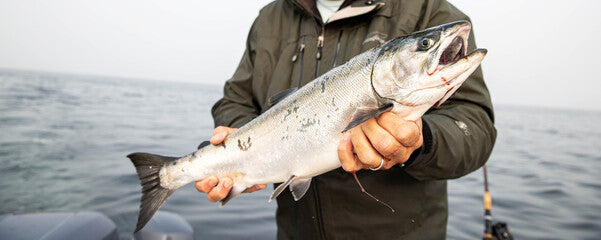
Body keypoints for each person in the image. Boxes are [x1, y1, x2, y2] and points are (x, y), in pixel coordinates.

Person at [195, 0, 496, 239]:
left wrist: (421, 141)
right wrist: (245, 154)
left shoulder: (426, 7)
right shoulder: (271, 18)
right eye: (425, 46)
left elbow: (475, 126)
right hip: (295, 232)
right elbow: (235, 99)